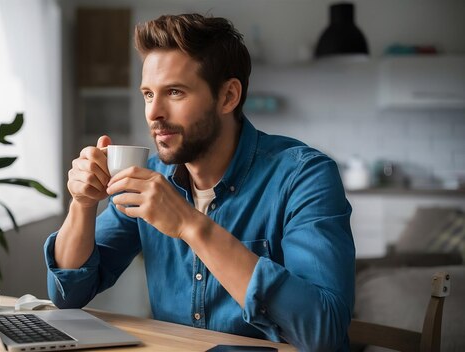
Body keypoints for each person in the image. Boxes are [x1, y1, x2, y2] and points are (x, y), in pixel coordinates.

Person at [44, 13, 355, 351]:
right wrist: (83, 204)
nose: (153, 113)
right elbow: (69, 293)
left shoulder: (304, 177)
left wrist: (191, 224)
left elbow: (325, 333)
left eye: (175, 92)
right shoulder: (152, 181)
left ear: (228, 97)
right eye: (148, 94)